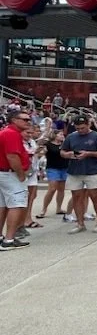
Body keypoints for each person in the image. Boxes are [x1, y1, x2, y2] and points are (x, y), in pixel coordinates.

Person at [60, 116, 97, 234]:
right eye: (78, 128)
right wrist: (68, 155)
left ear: (88, 125)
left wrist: (89, 154)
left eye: (82, 128)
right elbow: (62, 151)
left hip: (91, 171)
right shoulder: (71, 136)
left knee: (95, 196)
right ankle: (80, 223)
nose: (80, 130)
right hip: (74, 171)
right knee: (76, 197)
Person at [0, 106, 31, 250]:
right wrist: (21, 174)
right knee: (16, 205)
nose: (28, 122)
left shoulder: (7, 132)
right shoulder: (11, 133)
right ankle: (9, 239)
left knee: (3, 206)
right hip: (10, 173)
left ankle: (3, 237)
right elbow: (12, 156)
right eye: (24, 119)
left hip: (4, 173)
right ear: (14, 120)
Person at [36, 130, 68, 218]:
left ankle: (59, 208)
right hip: (52, 168)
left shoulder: (65, 144)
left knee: (61, 189)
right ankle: (44, 209)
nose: (62, 136)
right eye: (60, 134)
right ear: (55, 135)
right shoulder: (48, 144)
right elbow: (41, 153)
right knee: (52, 189)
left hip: (64, 168)